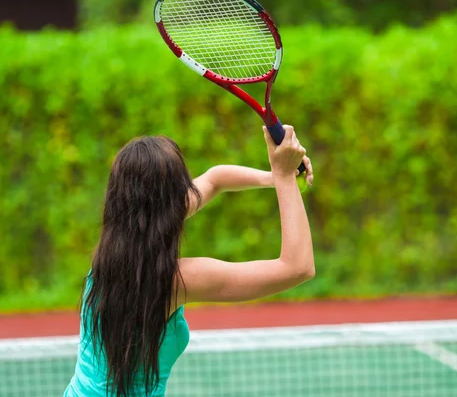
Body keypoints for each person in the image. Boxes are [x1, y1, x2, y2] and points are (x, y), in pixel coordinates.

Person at [64, 125, 315, 396]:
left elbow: (216, 179)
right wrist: (284, 176)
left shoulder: (118, 242)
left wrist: (276, 176)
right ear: (172, 202)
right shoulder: (174, 281)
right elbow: (297, 268)